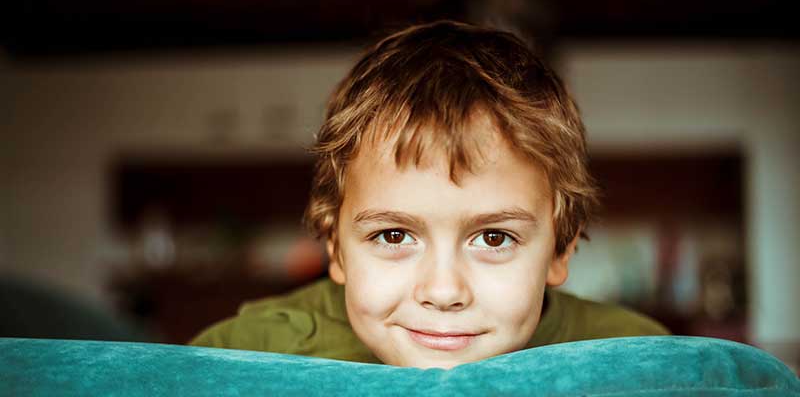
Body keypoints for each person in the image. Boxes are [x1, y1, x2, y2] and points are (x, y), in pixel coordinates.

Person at [189, 20, 668, 369]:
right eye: (394, 235)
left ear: (560, 248)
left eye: (495, 238)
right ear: (334, 245)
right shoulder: (246, 354)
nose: (443, 293)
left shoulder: (641, 361)